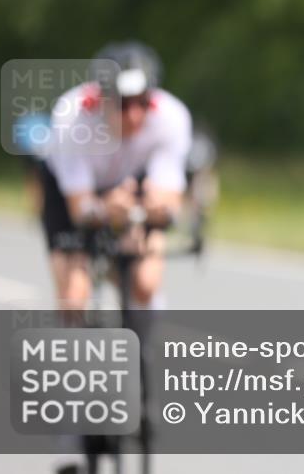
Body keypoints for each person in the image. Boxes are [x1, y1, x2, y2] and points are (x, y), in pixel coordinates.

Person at [40, 40, 192, 312]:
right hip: (72, 192)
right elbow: (80, 210)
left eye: (143, 103)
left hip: (131, 185)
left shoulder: (172, 117)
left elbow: (170, 200)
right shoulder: (72, 117)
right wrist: (104, 210)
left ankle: (147, 338)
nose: (134, 115)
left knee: (145, 283)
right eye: (123, 104)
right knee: (74, 299)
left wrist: (154, 209)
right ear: (102, 99)